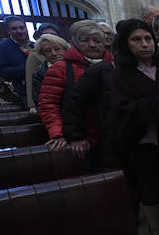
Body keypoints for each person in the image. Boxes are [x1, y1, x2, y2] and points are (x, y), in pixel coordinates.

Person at [111, 19, 159, 235]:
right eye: (137, 40)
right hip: (142, 141)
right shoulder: (120, 74)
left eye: (147, 39)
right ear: (126, 44)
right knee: (150, 189)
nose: (145, 44)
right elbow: (124, 109)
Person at [38, 20, 111, 154]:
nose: (92, 45)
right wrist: (59, 134)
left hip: (114, 137)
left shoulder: (114, 65)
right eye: (85, 40)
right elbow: (49, 105)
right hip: (83, 141)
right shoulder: (60, 69)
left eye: (97, 40)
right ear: (75, 43)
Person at [0, 16, 33, 99]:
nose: (19, 31)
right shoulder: (2, 47)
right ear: (8, 31)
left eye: (22, 28)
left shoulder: (35, 45)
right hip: (22, 91)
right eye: (14, 29)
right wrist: (29, 68)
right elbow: (2, 71)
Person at [24, 23, 61, 109]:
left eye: (53, 34)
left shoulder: (66, 50)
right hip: (47, 97)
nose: (50, 37)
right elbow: (30, 79)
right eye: (45, 35)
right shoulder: (34, 54)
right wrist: (32, 105)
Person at [30, 34, 70, 111]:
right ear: (43, 54)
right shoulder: (39, 74)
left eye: (57, 49)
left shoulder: (78, 66)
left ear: (65, 49)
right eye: (48, 51)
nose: (54, 53)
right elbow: (40, 102)